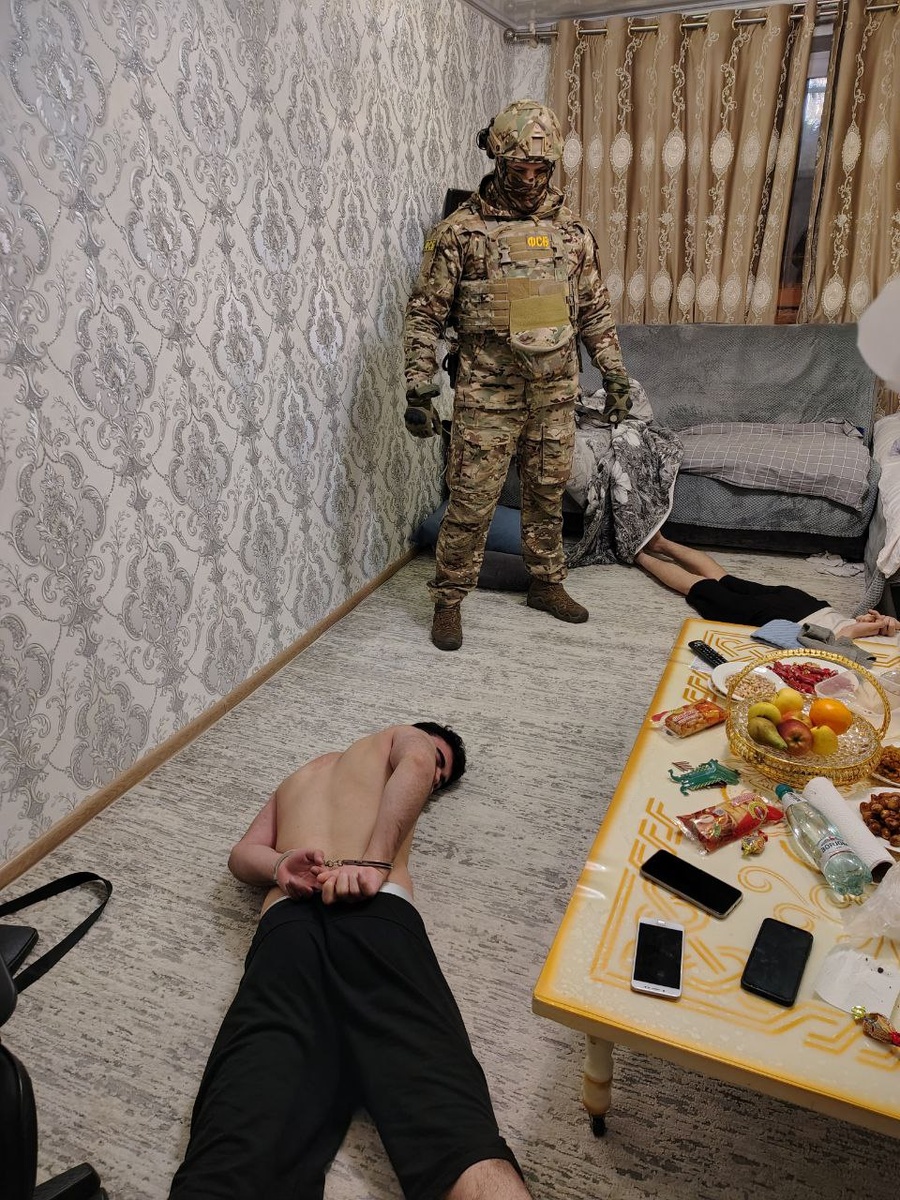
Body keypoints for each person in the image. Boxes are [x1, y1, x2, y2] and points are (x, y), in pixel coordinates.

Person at [168, 721, 532, 1200]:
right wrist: (374, 861)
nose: (433, 780)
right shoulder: (402, 737)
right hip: (373, 912)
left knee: (238, 1135)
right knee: (451, 1128)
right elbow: (418, 761)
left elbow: (241, 855)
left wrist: (279, 865)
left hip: (286, 929)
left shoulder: (297, 778)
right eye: (440, 766)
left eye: (439, 781)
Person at [404, 98, 632, 652]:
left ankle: (546, 583)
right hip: (487, 393)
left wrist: (616, 375)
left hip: (554, 391)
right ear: (497, 160)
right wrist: (419, 386)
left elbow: (595, 311)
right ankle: (449, 599)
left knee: (547, 492)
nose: (529, 181)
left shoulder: (573, 233)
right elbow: (425, 314)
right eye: (518, 169)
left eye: (539, 170)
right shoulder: (460, 233)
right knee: (471, 500)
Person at [637, 533, 900, 639]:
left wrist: (872, 625)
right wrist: (875, 625)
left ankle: (660, 542)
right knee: (703, 589)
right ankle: (638, 555)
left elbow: (860, 629)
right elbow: (838, 642)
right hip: (794, 623)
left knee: (724, 579)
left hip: (807, 604)